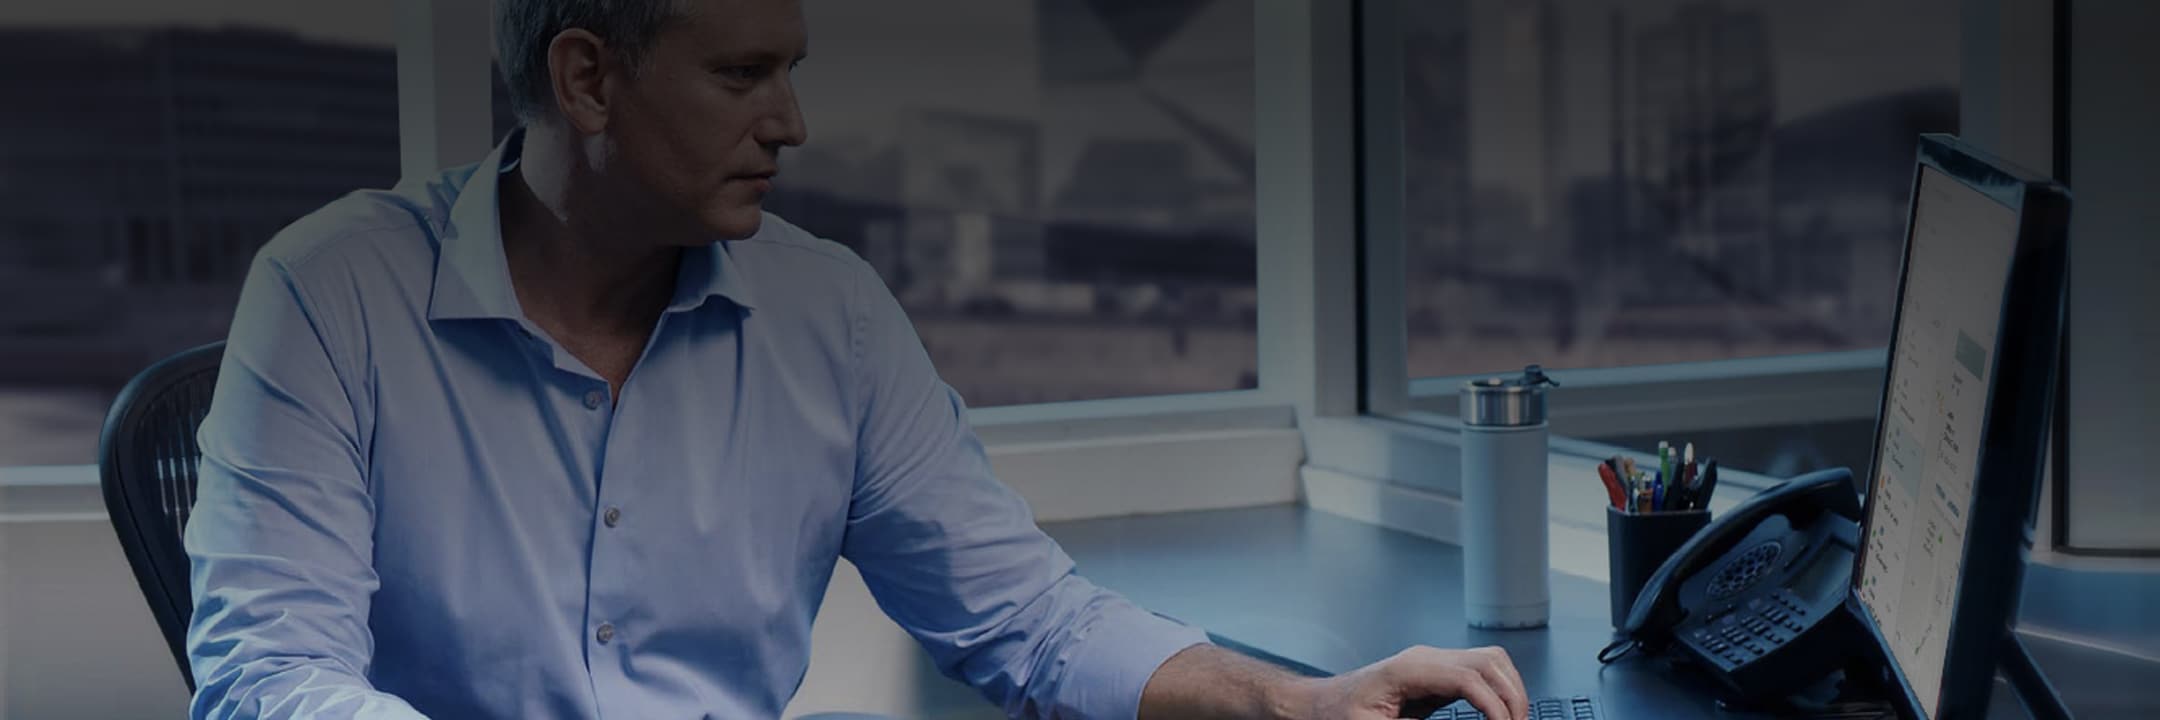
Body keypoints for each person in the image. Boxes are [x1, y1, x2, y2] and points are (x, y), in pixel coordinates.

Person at [183, 0, 1530, 718]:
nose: (794, 122)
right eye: (743, 73)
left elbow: (1031, 624)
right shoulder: (329, 292)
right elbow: (266, 683)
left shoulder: (827, 316)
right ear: (587, 80)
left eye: (796, 66)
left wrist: (1298, 705)